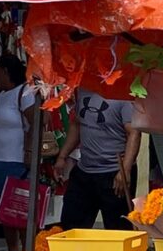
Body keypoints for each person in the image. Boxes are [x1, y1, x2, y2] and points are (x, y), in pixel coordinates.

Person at [55, 88, 140, 231]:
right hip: (85, 170)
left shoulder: (123, 94)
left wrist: (125, 170)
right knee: (71, 226)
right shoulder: (82, 89)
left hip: (114, 173)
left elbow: (134, 133)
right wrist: (62, 156)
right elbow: (77, 124)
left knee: (118, 230)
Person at [0, 54, 36, 251]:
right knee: (4, 212)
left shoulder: (24, 93)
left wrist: (29, 153)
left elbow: (35, 124)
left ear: (6, 71)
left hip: (14, 161)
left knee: (20, 211)